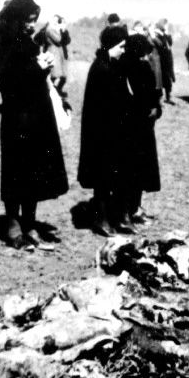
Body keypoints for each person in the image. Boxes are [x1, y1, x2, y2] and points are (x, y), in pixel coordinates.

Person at [0, 0, 69, 250]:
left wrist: (43, 66)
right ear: (16, 19)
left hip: (37, 114)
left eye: (34, 21)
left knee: (34, 169)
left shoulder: (27, 42)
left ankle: (30, 221)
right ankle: (13, 223)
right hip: (17, 117)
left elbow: (32, 75)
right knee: (16, 170)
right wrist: (37, 68)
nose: (31, 25)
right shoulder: (3, 44)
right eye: (27, 20)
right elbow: (8, 82)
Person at [78, 25, 131, 236]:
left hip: (113, 130)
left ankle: (114, 217)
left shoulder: (113, 65)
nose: (124, 50)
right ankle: (102, 219)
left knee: (113, 175)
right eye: (121, 46)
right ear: (111, 45)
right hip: (102, 133)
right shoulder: (101, 68)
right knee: (102, 177)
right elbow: (102, 104)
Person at [123, 33, 162, 224]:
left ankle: (134, 208)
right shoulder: (138, 68)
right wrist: (154, 107)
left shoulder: (125, 66)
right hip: (138, 127)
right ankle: (132, 209)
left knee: (134, 171)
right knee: (136, 171)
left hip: (137, 126)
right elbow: (150, 95)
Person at [152, 18, 175, 104]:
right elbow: (161, 46)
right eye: (165, 24)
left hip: (167, 60)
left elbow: (170, 43)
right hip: (160, 60)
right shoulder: (156, 34)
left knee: (168, 80)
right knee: (160, 81)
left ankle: (168, 97)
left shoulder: (164, 34)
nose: (166, 26)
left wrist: (168, 34)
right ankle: (159, 100)